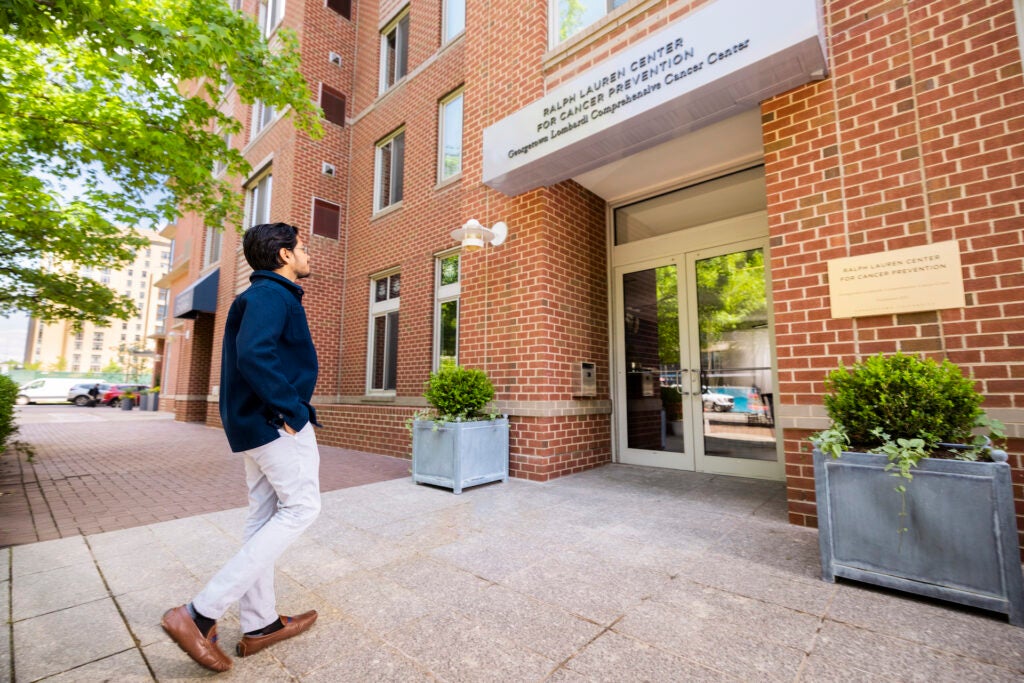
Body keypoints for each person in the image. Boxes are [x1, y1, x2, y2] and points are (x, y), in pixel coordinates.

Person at [161, 223, 322, 672]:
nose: (308, 255)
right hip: (275, 424)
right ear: (285, 255)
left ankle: (261, 623)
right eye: (303, 248)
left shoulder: (256, 296)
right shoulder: (273, 295)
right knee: (302, 508)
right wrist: (292, 411)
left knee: (263, 517)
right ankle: (199, 613)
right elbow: (255, 354)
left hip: (255, 425)